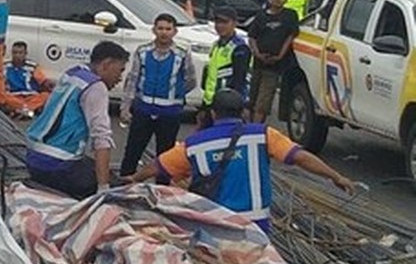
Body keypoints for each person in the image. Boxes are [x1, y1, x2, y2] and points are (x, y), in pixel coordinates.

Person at [129, 89, 355, 234]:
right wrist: (336, 177)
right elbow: (301, 157)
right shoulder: (263, 135)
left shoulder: (194, 144)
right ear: (243, 112)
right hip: (256, 224)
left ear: (214, 114)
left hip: (215, 223)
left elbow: (157, 167)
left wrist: (133, 179)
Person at [24, 41, 129, 198]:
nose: (120, 78)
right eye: (120, 71)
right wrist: (103, 188)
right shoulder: (96, 87)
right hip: (58, 165)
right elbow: (102, 140)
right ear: (106, 64)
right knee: (114, 186)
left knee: (94, 167)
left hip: (33, 157)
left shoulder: (73, 73)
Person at [117, 14, 197, 178]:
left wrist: (176, 95)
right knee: (132, 152)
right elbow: (132, 80)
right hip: (143, 110)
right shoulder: (142, 51)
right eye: (160, 28)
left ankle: (162, 189)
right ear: (154, 30)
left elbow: (191, 80)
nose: (164, 32)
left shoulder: (182, 54)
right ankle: (124, 185)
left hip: (169, 114)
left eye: (168, 29)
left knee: (166, 158)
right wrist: (125, 107)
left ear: (174, 31)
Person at [248, 0, 301, 124]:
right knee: (252, 100)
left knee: (263, 103)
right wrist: (257, 53)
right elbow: (252, 37)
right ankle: (249, 128)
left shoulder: (290, 16)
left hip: (274, 66)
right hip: (258, 64)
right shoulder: (261, 16)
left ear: (286, 0)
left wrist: (280, 56)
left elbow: (290, 37)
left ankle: (256, 130)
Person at [201, 7, 251, 122]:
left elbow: (240, 80)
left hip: (228, 107)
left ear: (234, 23)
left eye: (225, 22)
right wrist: (204, 106)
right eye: (217, 22)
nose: (220, 26)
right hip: (211, 103)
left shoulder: (239, 48)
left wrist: (241, 107)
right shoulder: (216, 45)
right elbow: (211, 77)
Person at [2, 41, 54, 119]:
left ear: (25, 53)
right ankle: (27, 110)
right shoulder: (5, 65)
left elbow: (43, 81)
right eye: (15, 53)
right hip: (13, 96)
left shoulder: (32, 66)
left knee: (46, 95)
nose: (17, 56)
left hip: (30, 96)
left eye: (20, 53)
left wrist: (50, 85)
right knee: (3, 97)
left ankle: (20, 110)